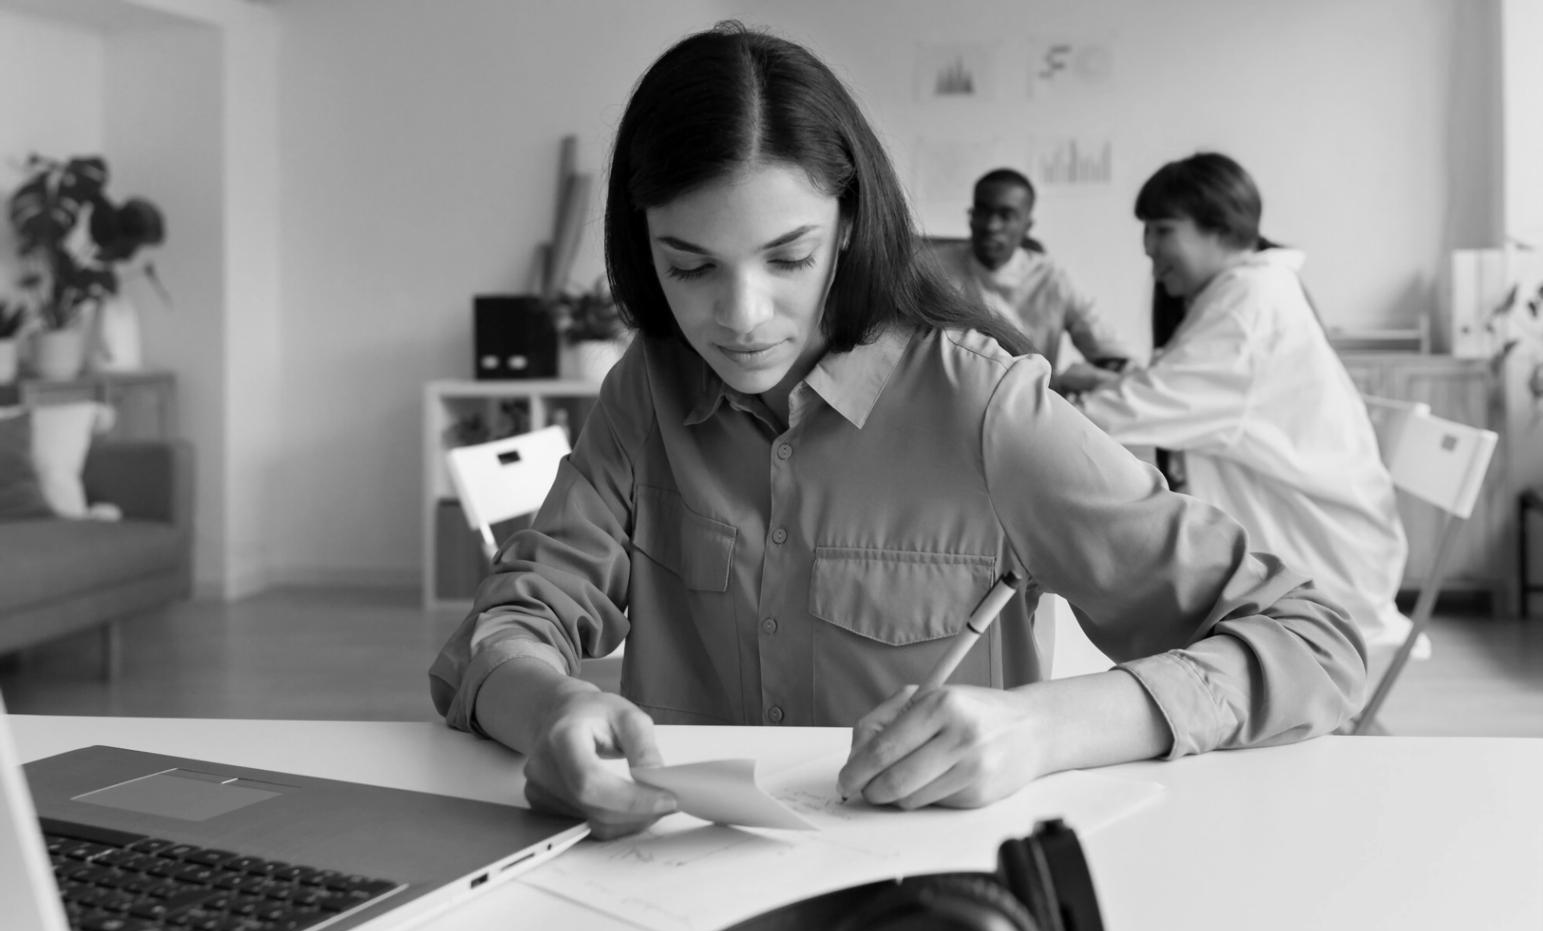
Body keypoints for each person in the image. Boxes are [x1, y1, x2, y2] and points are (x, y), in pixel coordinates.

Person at [428, 24, 1366, 840]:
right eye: (691, 267)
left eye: (787, 257)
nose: (741, 317)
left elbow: (1315, 641)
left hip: (927, 907)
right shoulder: (647, 389)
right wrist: (548, 709)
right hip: (663, 885)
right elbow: (506, 626)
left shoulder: (983, 406)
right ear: (644, 249)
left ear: (846, 227)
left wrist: (1042, 729)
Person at [1073, 151, 1410, 652]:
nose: (1147, 247)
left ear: (1220, 228)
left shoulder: (1246, 308)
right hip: (1330, 541)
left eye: (1162, 229)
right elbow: (1181, 389)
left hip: (1322, 568)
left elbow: (1133, 411)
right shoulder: (1253, 289)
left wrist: (1028, 406)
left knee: (1096, 561)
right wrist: (1105, 382)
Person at [933, 168, 1131, 393]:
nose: (991, 226)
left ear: (1026, 226)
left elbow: (1109, 352)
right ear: (971, 216)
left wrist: (1078, 380)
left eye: (1005, 216)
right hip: (953, 395)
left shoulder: (1050, 278)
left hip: (1032, 399)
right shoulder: (932, 269)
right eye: (982, 212)